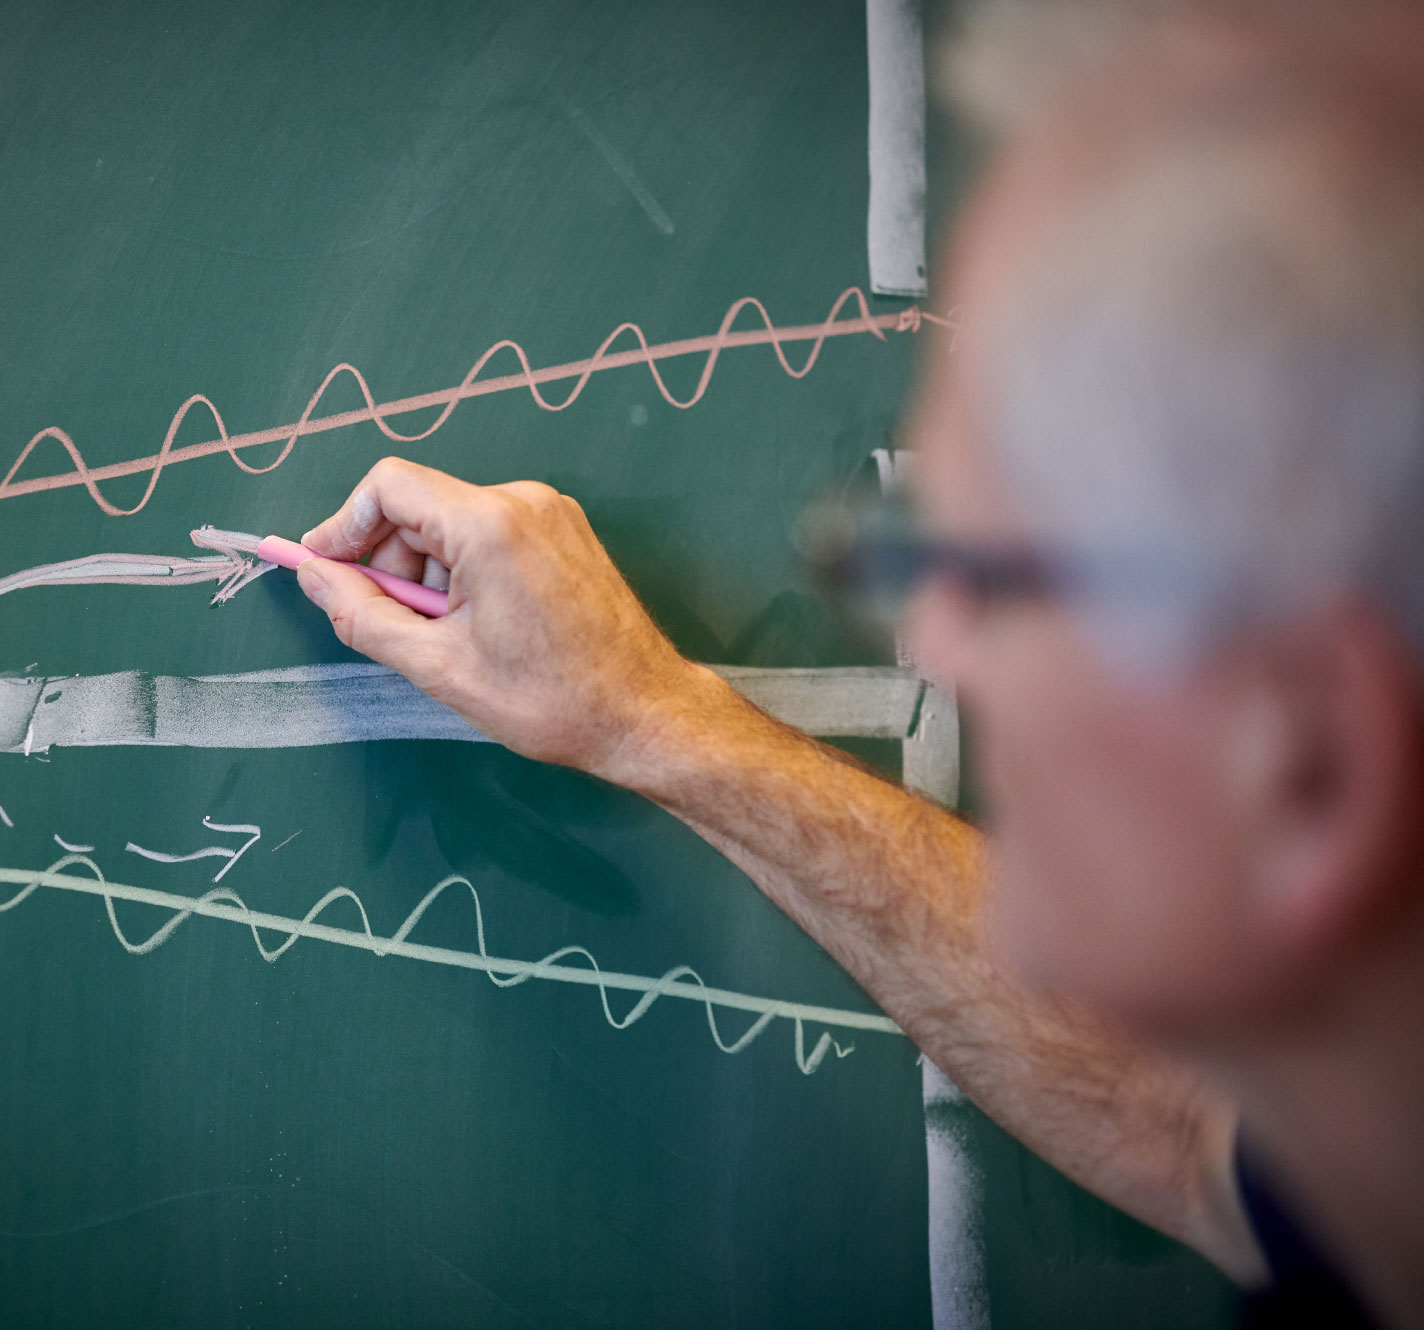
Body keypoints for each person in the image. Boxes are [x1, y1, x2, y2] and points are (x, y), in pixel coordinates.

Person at [282, 2, 1424, 1325]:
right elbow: (1172, 1117)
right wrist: (648, 718)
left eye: (993, 573)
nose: (930, 640)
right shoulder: (1371, 1162)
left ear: (1313, 756)